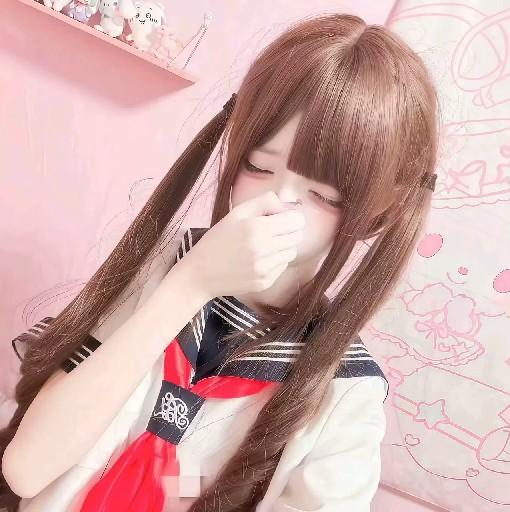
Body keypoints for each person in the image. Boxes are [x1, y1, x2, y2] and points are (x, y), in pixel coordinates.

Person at [0, 12, 439, 512]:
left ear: (376, 213)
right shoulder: (163, 268)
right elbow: (27, 468)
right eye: (258, 166)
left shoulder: (346, 392)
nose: (278, 201)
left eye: (323, 195)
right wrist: (189, 285)